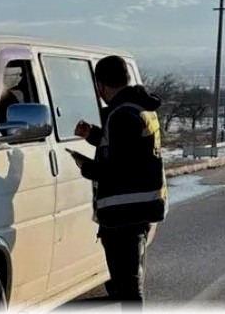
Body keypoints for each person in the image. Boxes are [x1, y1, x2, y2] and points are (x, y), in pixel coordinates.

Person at [72, 55, 168, 305]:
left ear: (100, 85)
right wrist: (92, 134)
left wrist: (86, 167)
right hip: (143, 207)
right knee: (129, 284)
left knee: (129, 289)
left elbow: (116, 166)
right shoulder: (140, 108)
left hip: (124, 212)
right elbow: (126, 148)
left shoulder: (121, 115)